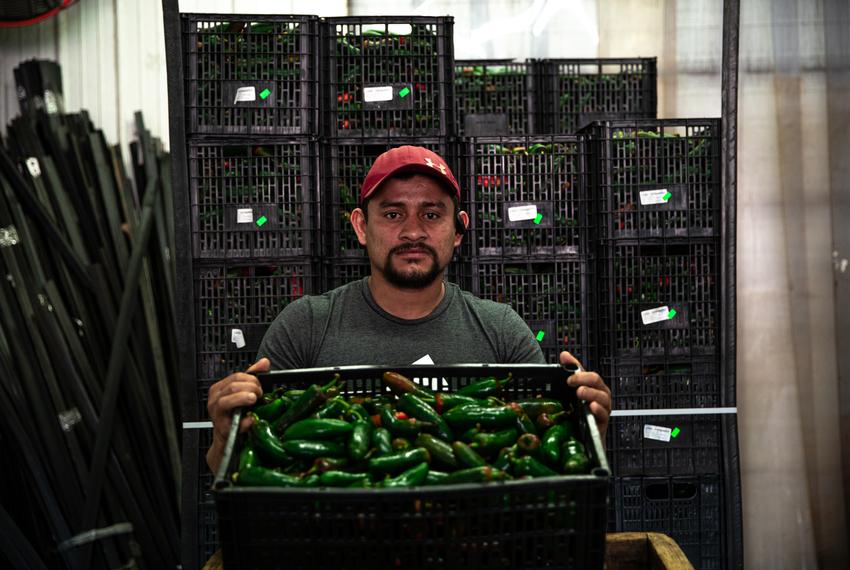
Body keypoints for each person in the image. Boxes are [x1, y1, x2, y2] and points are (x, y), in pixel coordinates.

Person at [206, 145, 611, 472]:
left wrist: (591, 427)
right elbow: (252, 466)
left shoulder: (501, 330)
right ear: (362, 226)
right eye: (393, 213)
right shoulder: (306, 326)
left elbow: (549, 466)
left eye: (432, 215)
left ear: (458, 231)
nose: (413, 231)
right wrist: (225, 437)